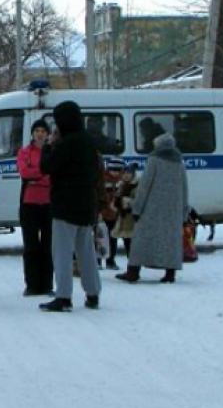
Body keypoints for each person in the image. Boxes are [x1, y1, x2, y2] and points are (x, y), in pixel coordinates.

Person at [38, 100, 101, 312]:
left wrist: (47, 145)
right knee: (86, 251)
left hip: (65, 205)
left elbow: (46, 167)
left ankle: (63, 296)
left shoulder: (67, 143)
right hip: (86, 203)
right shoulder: (88, 141)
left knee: (62, 252)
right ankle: (93, 293)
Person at [116, 133, 189, 284]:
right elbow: (184, 187)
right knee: (170, 241)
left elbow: (144, 186)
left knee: (141, 239)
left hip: (152, 208)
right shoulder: (178, 161)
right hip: (172, 209)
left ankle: (133, 272)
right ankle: (170, 274)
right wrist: (183, 211)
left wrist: (137, 208)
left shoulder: (154, 159)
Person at [16, 119, 53, 297]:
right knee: (30, 246)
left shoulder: (52, 152)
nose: (40, 134)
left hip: (48, 203)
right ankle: (31, 284)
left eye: (43, 131)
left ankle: (47, 284)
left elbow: (54, 175)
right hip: (29, 203)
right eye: (37, 130)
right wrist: (43, 172)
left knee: (48, 246)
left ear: (47, 134)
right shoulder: (24, 152)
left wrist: (37, 174)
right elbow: (24, 172)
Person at [111, 162, 139, 258]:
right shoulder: (121, 185)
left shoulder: (137, 186)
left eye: (128, 173)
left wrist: (128, 202)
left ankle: (133, 267)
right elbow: (116, 202)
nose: (126, 175)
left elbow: (140, 201)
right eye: (124, 173)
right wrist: (116, 202)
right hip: (123, 218)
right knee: (127, 243)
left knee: (133, 244)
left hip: (133, 219)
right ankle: (130, 267)